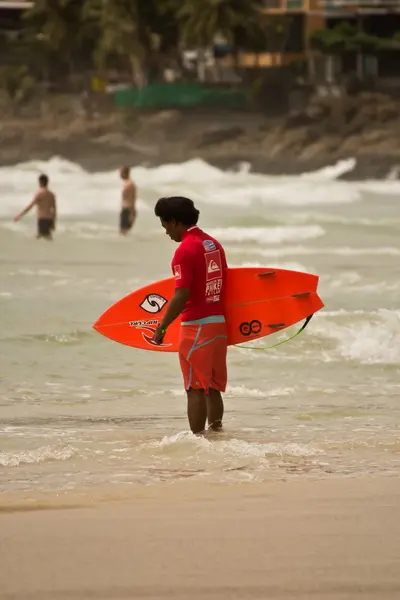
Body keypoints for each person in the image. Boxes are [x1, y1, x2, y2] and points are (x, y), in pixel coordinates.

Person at [153, 196, 228, 435]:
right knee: (212, 387)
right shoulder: (213, 245)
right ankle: (216, 436)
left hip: (195, 327)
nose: (166, 232)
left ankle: (197, 443)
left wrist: (162, 327)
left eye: (165, 226)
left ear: (175, 221)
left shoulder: (184, 250)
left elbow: (181, 294)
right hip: (218, 325)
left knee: (194, 388)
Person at [14, 174, 56, 240]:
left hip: (42, 219)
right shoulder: (51, 195)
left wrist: (19, 215)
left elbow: (30, 206)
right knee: (47, 238)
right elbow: (54, 209)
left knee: (40, 238)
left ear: (40, 182)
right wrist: (53, 222)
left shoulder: (39, 194)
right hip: (49, 219)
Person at [119, 166, 137, 235]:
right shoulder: (126, 183)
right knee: (123, 233)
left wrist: (132, 213)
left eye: (121, 172)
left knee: (123, 233)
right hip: (125, 210)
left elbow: (133, 198)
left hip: (128, 210)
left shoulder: (130, 184)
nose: (119, 174)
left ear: (124, 173)